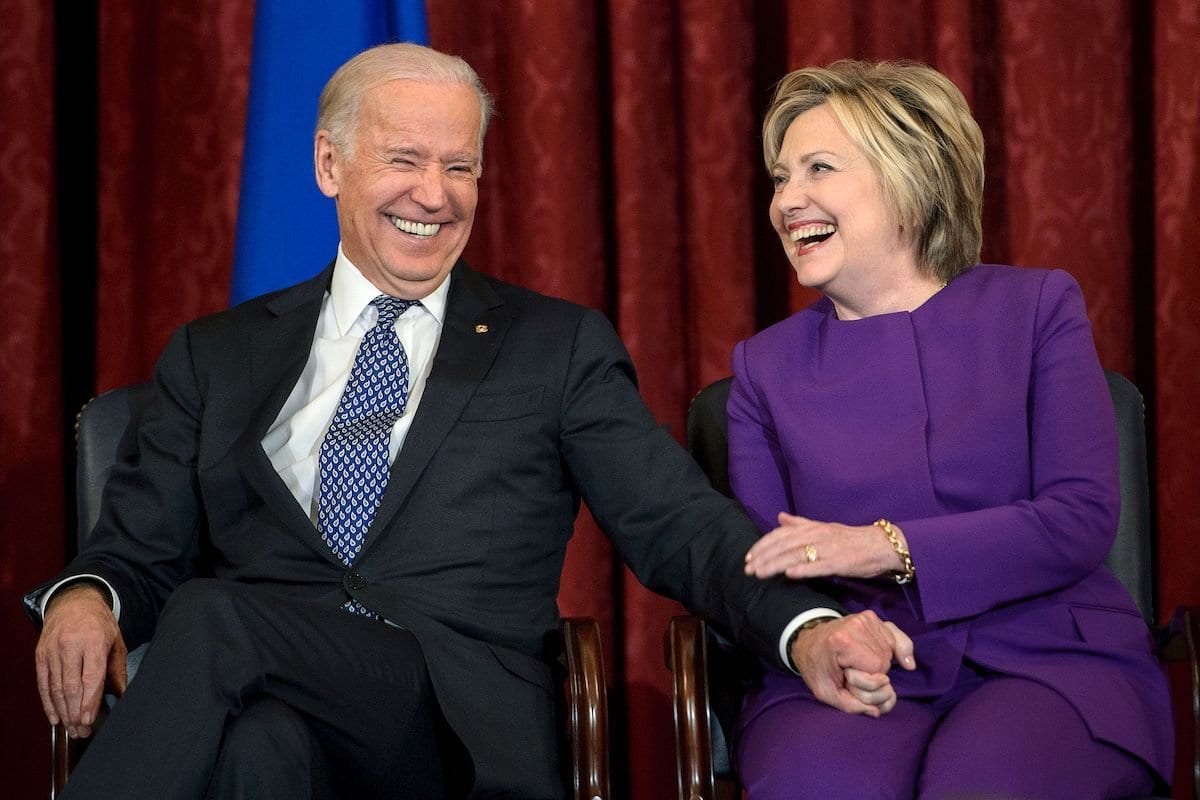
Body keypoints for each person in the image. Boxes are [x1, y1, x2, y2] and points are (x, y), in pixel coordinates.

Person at [23, 44, 905, 800]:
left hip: (455, 718)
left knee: (213, 617)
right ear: (330, 165)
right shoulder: (215, 358)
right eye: (405, 159)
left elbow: (674, 519)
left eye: (461, 166)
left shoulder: (553, 347)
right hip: (272, 706)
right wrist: (84, 598)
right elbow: (136, 552)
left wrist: (805, 627)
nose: (435, 195)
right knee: (264, 749)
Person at [731, 59, 1173, 799]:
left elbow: (1081, 517)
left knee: (984, 780)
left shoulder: (1036, 310)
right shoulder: (762, 369)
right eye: (780, 178)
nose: (786, 201)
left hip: (1051, 657)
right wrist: (822, 636)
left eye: (818, 169)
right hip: (865, 660)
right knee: (818, 783)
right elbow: (766, 563)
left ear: (908, 178)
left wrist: (885, 546)